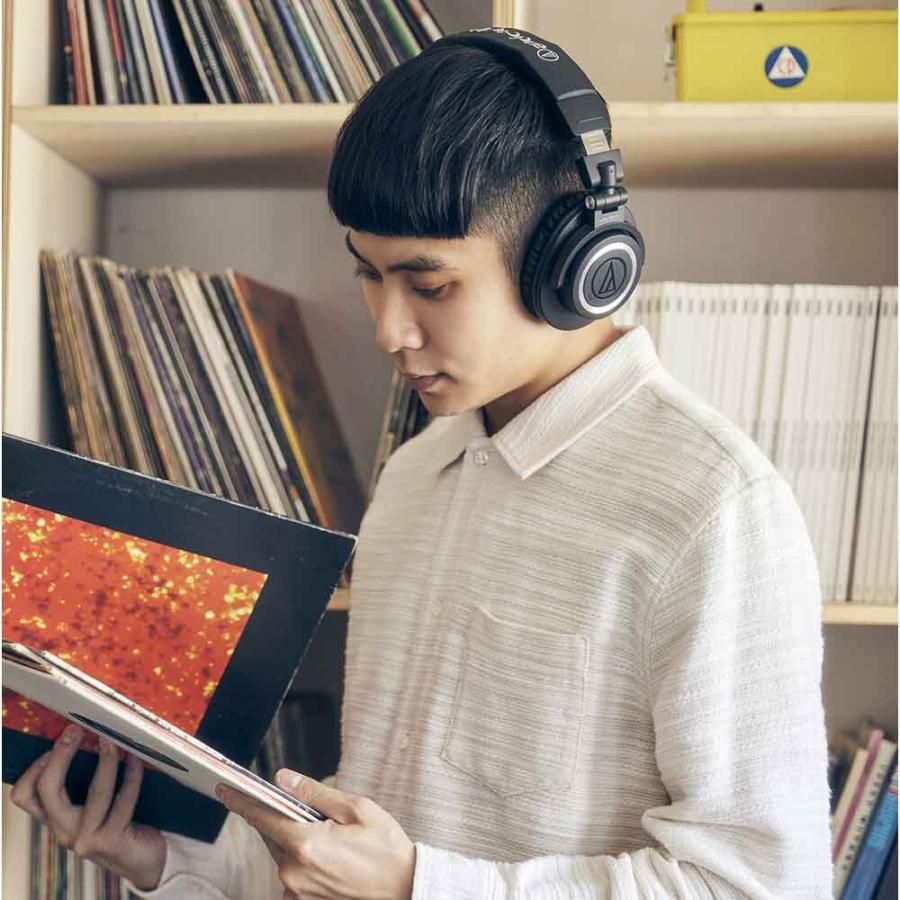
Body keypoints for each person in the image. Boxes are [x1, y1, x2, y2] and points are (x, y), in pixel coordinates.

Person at [11, 27, 834, 899]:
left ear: (574, 266)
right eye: (368, 274)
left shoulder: (714, 506)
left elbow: (761, 885)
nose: (388, 329)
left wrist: (418, 884)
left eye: (429, 285)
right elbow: (369, 840)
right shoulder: (415, 475)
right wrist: (164, 858)